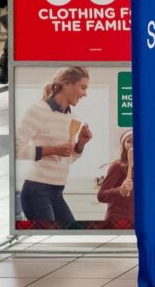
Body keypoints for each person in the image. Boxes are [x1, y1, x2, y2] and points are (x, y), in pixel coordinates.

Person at [16, 65, 93, 228]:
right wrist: (53, 149)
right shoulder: (38, 110)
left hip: (57, 192)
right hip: (36, 190)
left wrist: (80, 144)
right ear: (67, 84)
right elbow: (15, 149)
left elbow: (64, 159)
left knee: (73, 232)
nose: (85, 94)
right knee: (51, 237)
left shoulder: (71, 117)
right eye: (83, 87)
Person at [96, 130, 135, 230]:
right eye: (129, 141)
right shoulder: (117, 167)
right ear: (123, 146)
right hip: (116, 222)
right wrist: (120, 190)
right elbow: (101, 196)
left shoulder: (145, 170)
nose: (132, 145)